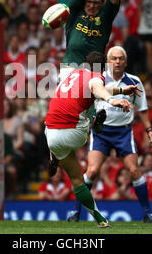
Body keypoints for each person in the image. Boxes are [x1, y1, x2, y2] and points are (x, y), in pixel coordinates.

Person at [44, 51, 137, 228]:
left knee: (77, 179)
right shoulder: (97, 77)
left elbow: (96, 88)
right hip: (75, 135)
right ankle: (93, 122)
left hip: (50, 134)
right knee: (93, 106)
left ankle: (100, 219)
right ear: (103, 68)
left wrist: (122, 90)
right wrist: (112, 100)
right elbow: (98, 87)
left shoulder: (71, 74)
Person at [66, 46, 152, 223]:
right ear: (108, 62)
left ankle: (147, 213)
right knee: (91, 171)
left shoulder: (135, 81)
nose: (117, 62)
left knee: (134, 170)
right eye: (114, 58)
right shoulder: (97, 79)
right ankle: (75, 213)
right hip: (101, 131)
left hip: (123, 131)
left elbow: (143, 109)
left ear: (126, 62)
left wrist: (149, 130)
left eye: (121, 58)